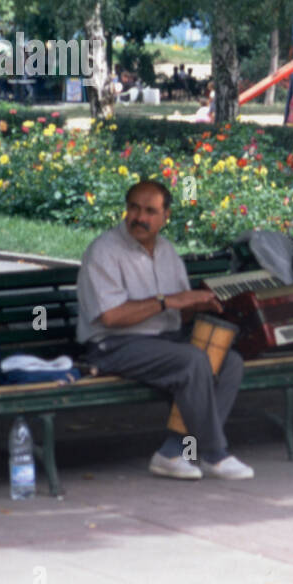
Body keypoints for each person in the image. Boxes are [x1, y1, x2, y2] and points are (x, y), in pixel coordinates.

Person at [76, 180, 253, 480]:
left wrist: (198, 306)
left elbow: (176, 314)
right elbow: (111, 317)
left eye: (149, 211)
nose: (139, 217)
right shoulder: (103, 251)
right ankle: (213, 453)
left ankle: (173, 451)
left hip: (162, 341)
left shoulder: (168, 251)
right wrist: (167, 301)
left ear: (165, 216)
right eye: (134, 208)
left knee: (229, 360)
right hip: (112, 345)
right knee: (192, 361)